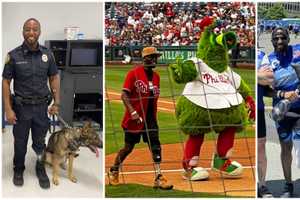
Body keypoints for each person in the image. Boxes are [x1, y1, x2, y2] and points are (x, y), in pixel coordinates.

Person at [2, 18, 60, 189]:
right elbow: (5, 82)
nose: (31, 33)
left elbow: (54, 77)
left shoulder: (47, 54)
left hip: (42, 108)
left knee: (40, 141)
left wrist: (57, 102)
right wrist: (8, 109)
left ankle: (40, 167)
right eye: (28, 29)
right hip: (20, 108)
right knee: (20, 142)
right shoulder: (13, 55)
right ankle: (18, 168)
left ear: (39, 32)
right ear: (23, 32)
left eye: (35, 29)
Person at [107, 46, 173, 190]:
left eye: (156, 57)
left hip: (150, 119)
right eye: (152, 57)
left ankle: (159, 177)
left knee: (155, 146)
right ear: (144, 59)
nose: (155, 59)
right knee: (128, 148)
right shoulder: (133, 74)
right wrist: (132, 112)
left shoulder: (156, 77)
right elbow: (124, 95)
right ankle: (114, 170)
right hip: (134, 119)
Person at [267, 27, 300, 197]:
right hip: (282, 110)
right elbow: (265, 90)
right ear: (272, 41)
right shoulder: (268, 60)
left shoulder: (298, 51)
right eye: (276, 38)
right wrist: (283, 95)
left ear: (288, 38)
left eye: (283, 38)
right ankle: (288, 185)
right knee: (285, 147)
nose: (280, 41)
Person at [257, 50, 274, 198]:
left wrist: (258, 76)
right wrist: (258, 76)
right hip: (240, 104)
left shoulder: (261, 55)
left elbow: (269, 78)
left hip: (259, 107)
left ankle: (262, 185)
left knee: (261, 146)